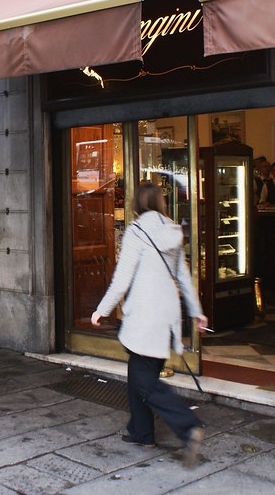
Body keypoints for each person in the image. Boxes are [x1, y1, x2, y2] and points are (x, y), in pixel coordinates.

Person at [90, 182, 208, 467]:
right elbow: (183, 276)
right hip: (166, 312)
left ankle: (187, 425)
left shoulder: (136, 232)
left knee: (144, 380)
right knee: (140, 373)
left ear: (136, 204)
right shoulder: (172, 231)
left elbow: (122, 278)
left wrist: (101, 310)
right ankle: (142, 433)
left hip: (144, 313)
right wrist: (196, 311)